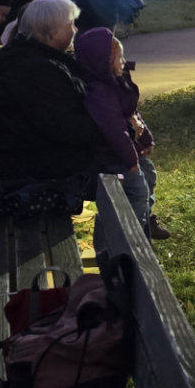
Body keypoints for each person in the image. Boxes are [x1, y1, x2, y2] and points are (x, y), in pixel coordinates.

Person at [0, 0, 110, 187]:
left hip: (39, 161)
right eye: (70, 24)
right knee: (129, 174)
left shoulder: (32, 59)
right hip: (41, 171)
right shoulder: (35, 70)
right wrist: (110, 127)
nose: (75, 30)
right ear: (50, 32)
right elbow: (67, 128)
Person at [74, 28, 169, 239]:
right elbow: (114, 131)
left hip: (128, 152)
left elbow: (132, 112)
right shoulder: (100, 93)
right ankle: (126, 238)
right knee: (137, 192)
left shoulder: (116, 83)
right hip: (113, 157)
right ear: (104, 63)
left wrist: (146, 138)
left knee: (149, 175)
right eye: (120, 58)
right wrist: (131, 161)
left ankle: (144, 225)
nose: (124, 62)